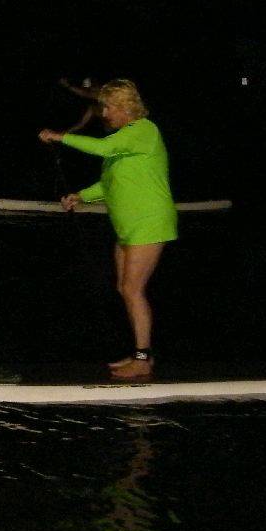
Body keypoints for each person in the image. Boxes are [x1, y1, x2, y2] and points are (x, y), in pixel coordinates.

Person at [38, 79, 177, 380]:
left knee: (133, 289)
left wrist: (61, 137)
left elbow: (103, 148)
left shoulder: (145, 131)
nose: (103, 113)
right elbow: (109, 183)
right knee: (125, 288)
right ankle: (139, 352)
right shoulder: (123, 140)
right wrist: (80, 196)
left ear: (124, 106)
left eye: (108, 107)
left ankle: (143, 359)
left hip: (149, 222)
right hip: (128, 226)